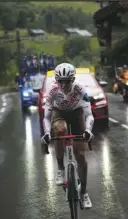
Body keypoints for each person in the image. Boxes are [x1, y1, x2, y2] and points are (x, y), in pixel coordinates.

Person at [41, 63, 94, 209]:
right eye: (60, 81)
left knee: (80, 156)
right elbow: (46, 117)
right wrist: (46, 133)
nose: (64, 85)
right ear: (56, 81)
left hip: (77, 114)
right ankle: (60, 167)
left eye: (67, 81)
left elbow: (89, 115)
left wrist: (88, 130)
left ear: (73, 79)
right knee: (59, 128)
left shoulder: (80, 89)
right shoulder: (52, 92)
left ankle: (83, 192)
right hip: (60, 113)